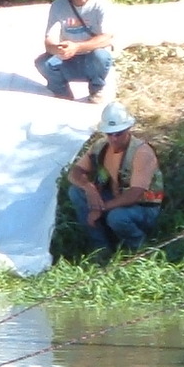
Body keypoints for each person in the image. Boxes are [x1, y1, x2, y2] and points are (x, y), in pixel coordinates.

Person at [67, 103, 163, 257]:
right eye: (110, 134)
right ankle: (101, 250)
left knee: (117, 217)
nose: (114, 138)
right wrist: (88, 187)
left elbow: (135, 194)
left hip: (144, 207)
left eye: (119, 133)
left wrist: (100, 208)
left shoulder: (141, 152)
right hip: (115, 198)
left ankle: (139, 249)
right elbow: (75, 172)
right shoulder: (100, 147)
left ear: (128, 129)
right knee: (76, 191)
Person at [41, 0, 117, 102]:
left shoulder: (103, 4)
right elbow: (49, 40)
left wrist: (78, 47)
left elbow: (107, 37)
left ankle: (96, 88)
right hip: (68, 58)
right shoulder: (58, 6)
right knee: (44, 63)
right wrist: (58, 49)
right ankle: (63, 94)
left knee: (101, 56)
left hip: (91, 57)